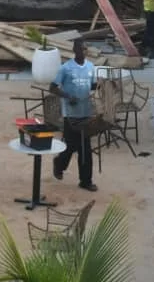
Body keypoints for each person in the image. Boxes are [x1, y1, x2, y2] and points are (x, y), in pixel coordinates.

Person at [50, 38, 98, 192]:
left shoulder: (90, 67)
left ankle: (86, 181)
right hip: (70, 114)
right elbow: (53, 87)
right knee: (70, 145)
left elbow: (93, 85)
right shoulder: (65, 68)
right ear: (75, 50)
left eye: (85, 49)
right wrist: (68, 96)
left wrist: (104, 85)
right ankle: (59, 163)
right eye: (81, 49)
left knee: (85, 148)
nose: (83, 51)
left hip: (86, 112)